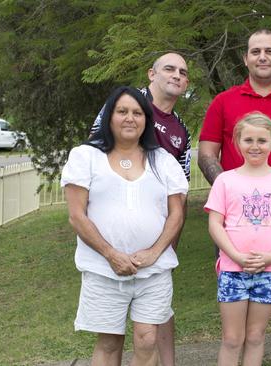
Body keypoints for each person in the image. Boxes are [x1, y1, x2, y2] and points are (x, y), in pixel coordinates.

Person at [198, 29, 271, 366]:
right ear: (246, 58)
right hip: (236, 220)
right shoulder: (223, 101)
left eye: (270, 51)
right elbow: (207, 155)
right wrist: (236, 191)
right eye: (255, 51)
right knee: (235, 326)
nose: (262, 57)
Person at [62, 86, 188, 366]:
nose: (130, 118)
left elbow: (176, 214)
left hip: (153, 271)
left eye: (137, 112)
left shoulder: (163, 161)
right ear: (109, 117)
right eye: (122, 112)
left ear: (146, 120)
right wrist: (111, 254)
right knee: (108, 343)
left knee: (147, 339)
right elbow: (77, 215)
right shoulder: (85, 156)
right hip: (103, 269)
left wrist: (154, 252)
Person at [90, 52, 191, 366]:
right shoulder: (125, 106)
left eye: (183, 72)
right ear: (152, 74)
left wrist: (167, 245)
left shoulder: (181, 130)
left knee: (154, 320)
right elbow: (94, 157)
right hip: (113, 241)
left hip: (157, 241)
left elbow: (180, 193)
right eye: (169, 69)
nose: (176, 75)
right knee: (111, 333)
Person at [204, 112, 271, 366]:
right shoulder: (225, 181)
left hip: (270, 270)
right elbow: (215, 224)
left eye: (262, 140)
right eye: (248, 140)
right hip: (233, 269)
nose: (255, 146)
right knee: (232, 338)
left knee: (256, 336)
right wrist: (235, 256)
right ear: (237, 142)